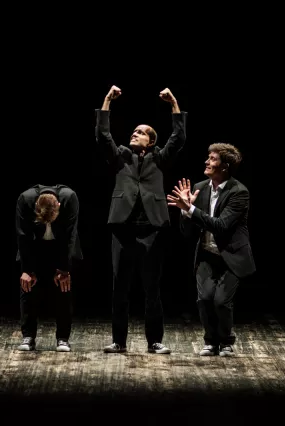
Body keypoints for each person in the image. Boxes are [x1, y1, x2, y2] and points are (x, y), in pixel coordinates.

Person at [95, 85, 187, 354]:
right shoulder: (121, 156)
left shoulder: (159, 159)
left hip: (152, 231)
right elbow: (102, 135)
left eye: (142, 132)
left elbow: (178, 138)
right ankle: (119, 341)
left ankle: (155, 341)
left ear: (151, 142)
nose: (135, 133)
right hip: (122, 230)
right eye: (134, 131)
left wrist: (174, 103)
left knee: (152, 289)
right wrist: (107, 100)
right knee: (120, 289)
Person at [168, 143, 256, 356]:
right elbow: (187, 232)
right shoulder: (200, 188)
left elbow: (221, 226)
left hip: (231, 256)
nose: (207, 162)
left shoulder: (239, 192)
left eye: (213, 159)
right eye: (208, 157)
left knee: (221, 302)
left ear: (225, 166)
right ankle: (210, 341)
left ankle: (226, 342)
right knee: (205, 299)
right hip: (207, 254)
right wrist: (185, 212)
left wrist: (191, 209)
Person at [15, 184, 82, 352]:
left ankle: (63, 338)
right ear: (36, 206)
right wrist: (27, 270)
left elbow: (70, 235)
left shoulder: (69, 198)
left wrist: (64, 270)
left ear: (58, 205)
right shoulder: (25, 199)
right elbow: (23, 235)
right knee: (28, 288)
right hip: (34, 246)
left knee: (64, 288)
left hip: (61, 246)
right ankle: (28, 336)